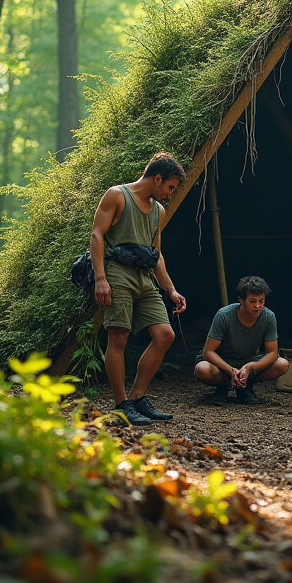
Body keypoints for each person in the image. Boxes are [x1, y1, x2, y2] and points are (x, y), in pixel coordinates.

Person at [91, 152, 188, 427]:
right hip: (117, 273)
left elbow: (155, 252)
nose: (170, 193)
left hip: (145, 278)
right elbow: (97, 234)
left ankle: (137, 397)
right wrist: (100, 278)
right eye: (170, 187)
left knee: (165, 334)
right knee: (118, 338)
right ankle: (121, 405)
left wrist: (170, 289)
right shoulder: (117, 195)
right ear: (157, 178)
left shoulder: (158, 210)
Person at [194, 276, 290, 404]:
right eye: (252, 301)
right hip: (223, 363)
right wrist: (231, 370)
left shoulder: (268, 317)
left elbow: (272, 353)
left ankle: (245, 387)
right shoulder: (224, 315)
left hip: (249, 360)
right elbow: (208, 352)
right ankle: (223, 387)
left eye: (261, 301)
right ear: (241, 300)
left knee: (282, 364)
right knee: (202, 369)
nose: (257, 306)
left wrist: (252, 366)